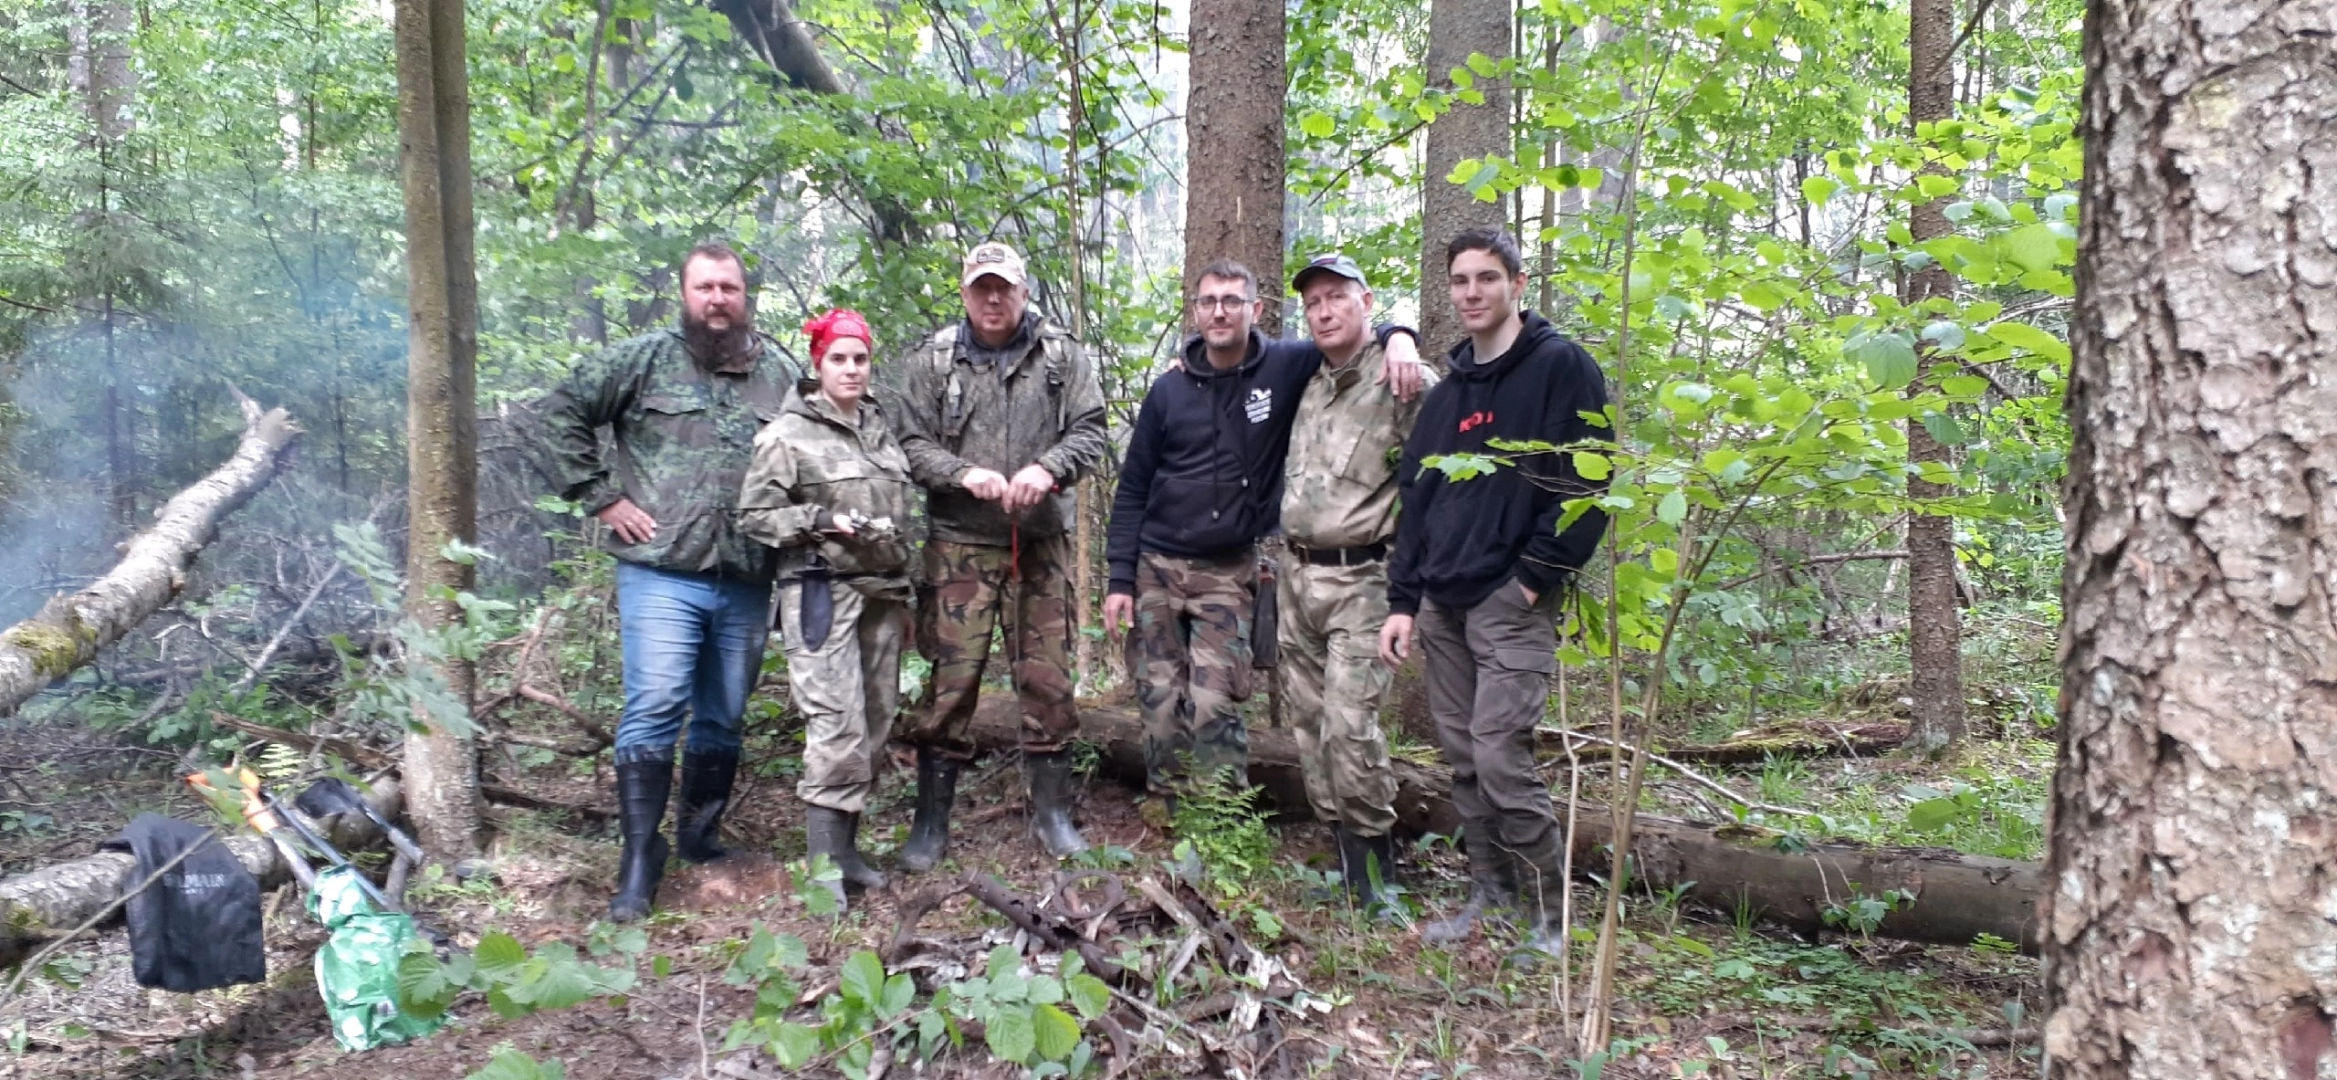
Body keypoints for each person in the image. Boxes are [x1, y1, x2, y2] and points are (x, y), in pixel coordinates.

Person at [538, 241, 801, 922]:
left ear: (746, 296)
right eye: (704, 287)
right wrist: (602, 498)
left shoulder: (781, 374)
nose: (717, 300)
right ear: (684, 294)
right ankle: (638, 857)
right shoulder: (643, 360)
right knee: (655, 702)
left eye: (728, 288)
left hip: (747, 574)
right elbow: (557, 412)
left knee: (725, 711)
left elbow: (819, 453)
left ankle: (699, 838)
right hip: (661, 569)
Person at [1102, 259, 1422, 814]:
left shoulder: (1286, 364)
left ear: (1256, 309)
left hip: (1228, 567)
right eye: (1208, 302)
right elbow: (1132, 488)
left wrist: (1401, 336)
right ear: (1195, 312)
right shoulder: (1168, 390)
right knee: (1158, 694)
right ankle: (1167, 803)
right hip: (1156, 564)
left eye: (1232, 301)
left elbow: (1349, 335)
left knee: (1216, 700)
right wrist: (1118, 577)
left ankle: (1221, 817)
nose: (1220, 312)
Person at [1377, 228, 1610, 950]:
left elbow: (1588, 481)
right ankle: (1490, 895)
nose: (1471, 292)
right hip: (1441, 605)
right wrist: (1403, 601)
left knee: (1503, 758)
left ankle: (1549, 920)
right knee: (1465, 761)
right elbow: (1416, 502)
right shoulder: (1447, 396)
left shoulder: (1560, 366)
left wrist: (1534, 579)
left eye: (1486, 278)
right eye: (1460, 280)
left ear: (1517, 283)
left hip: (1509, 603)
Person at [892, 241, 1110, 870]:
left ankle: (1053, 814)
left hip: (1040, 543)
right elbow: (908, 442)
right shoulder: (934, 359)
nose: (993, 299)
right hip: (958, 546)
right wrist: (962, 474)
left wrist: (1049, 468)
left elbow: (1091, 429)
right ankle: (930, 822)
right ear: (965, 293)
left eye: (1004, 288)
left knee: (1048, 680)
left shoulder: (1061, 356)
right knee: (950, 681)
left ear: (1023, 292)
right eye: (981, 288)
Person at [739, 308, 913, 913]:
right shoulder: (787, 434)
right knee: (835, 724)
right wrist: (820, 519)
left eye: (860, 358)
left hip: (882, 593)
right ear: (819, 364)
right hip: (820, 590)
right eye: (838, 358)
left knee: (875, 721)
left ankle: (848, 853)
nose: (851, 369)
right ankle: (821, 870)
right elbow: (754, 516)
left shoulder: (879, 429)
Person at [1277, 254, 1432, 909]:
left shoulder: (1403, 379)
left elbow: (1438, 482)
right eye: (1313, 302)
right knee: (1309, 725)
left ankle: (1378, 872)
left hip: (1365, 580)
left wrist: (1402, 335)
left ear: (1366, 301)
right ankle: (1345, 857)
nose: (1324, 311)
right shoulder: (1308, 382)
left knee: (1349, 726)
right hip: (1295, 578)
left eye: (1336, 296)